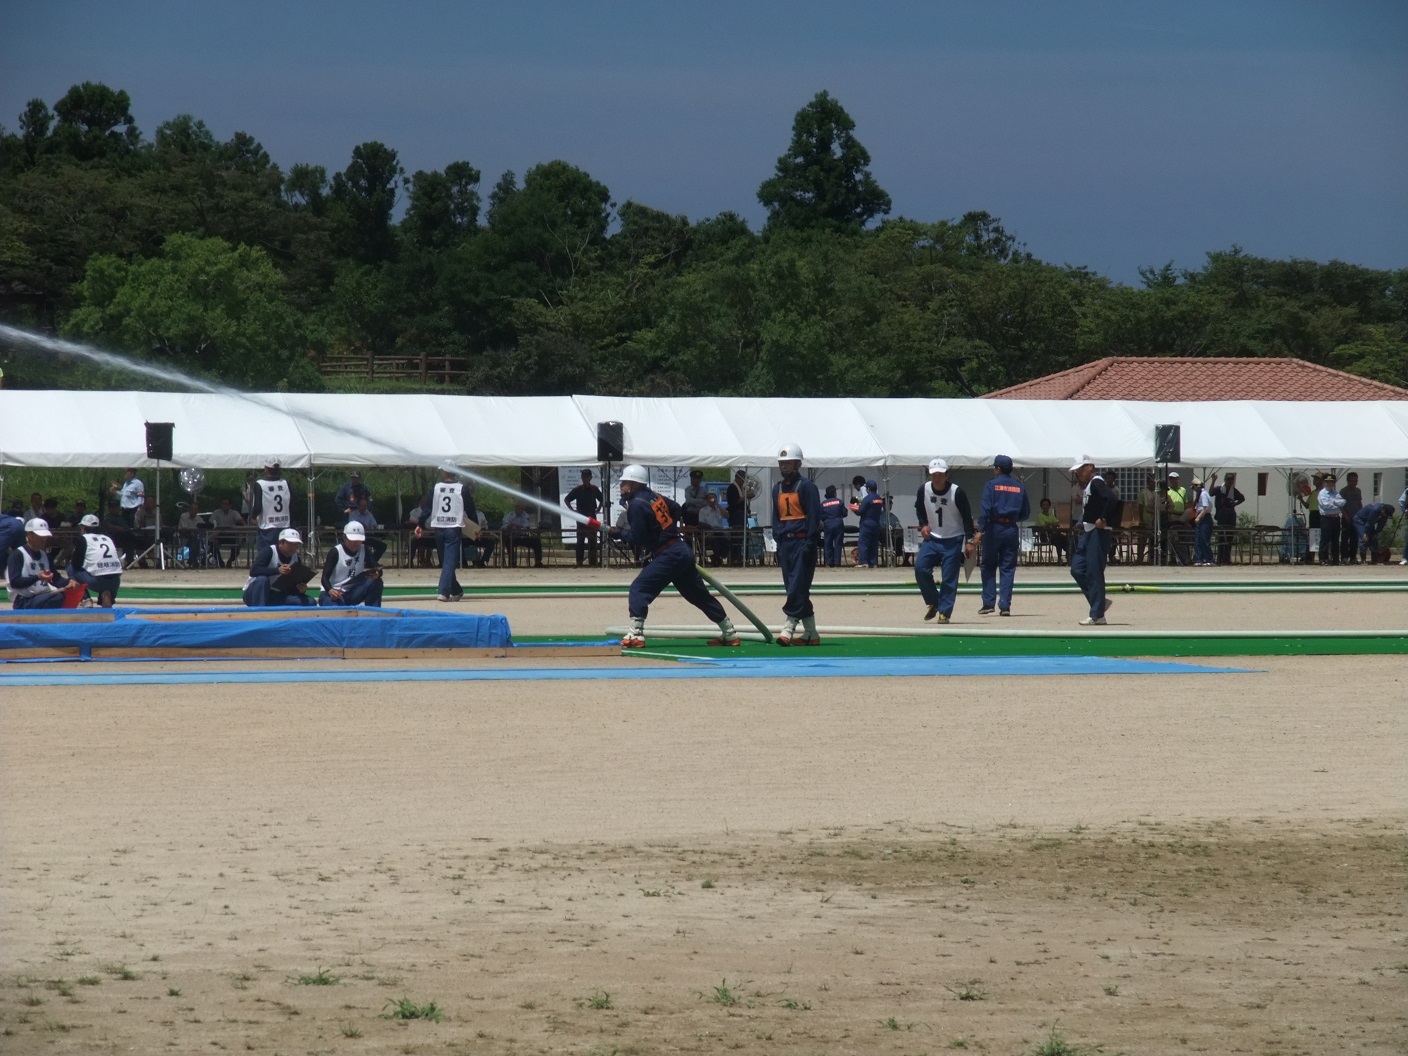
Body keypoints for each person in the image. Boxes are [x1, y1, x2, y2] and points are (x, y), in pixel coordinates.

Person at [615, 463, 739, 649]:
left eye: (624, 482)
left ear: (634, 484)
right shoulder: (653, 496)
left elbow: (637, 538)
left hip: (668, 554)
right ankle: (729, 633)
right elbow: (675, 508)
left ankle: (636, 634)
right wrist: (667, 530)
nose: (621, 486)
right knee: (698, 595)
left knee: (639, 588)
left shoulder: (637, 505)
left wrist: (617, 533)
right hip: (681, 550)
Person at [771, 443, 822, 645]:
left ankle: (788, 628)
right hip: (786, 544)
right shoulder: (777, 489)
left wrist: (810, 542)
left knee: (796, 587)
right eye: (782, 463)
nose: (784, 467)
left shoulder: (807, 487)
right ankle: (811, 633)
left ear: (798, 464)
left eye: (788, 463)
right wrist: (778, 538)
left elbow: (813, 517)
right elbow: (777, 517)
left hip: (802, 542)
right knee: (795, 587)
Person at [913, 458, 974, 623]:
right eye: (933, 475)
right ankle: (934, 601)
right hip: (933, 538)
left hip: (953, 538)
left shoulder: (957, 492)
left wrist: (970, 540)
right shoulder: (923, 489)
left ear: (947, 475)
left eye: (940, 474)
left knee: (949, 577)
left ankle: (944, 612)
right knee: (920, 568)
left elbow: (967, 517)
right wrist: (923, 525)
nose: (937, 478)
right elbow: (919, 508)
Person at [977, 454, 1030, 616]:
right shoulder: (1019, 487)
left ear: (998, 469)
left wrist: (981, 529)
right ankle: (1005, 605)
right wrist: (1013, 518)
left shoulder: (991, 485)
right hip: (1011, 528)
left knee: (988, 565)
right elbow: (1026, 512)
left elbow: (985, 509)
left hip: (994, 527)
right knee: (1008, 567)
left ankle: (988, 603)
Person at [1070, 457, 1117, 626]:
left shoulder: (1097, 482)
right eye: (1077, 470)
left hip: (1098, 533)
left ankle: (1097, 614)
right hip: (1088, 533)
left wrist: (1103, 518)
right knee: (1077, 569)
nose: (1078, 473)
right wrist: (1082, 523)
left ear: (1090, 467)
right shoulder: (1089, 486)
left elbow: (1112, 500)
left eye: (1081, 469)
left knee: (1093, 572)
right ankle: (1099, 602)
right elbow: (1091, 508)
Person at [416, 468, 469, 601]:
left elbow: (428, 508)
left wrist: (420, 524)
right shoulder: (460, 488)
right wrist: (475, 526)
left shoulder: (436, 488)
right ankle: (455, 590)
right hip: (453, 527)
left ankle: (444, 591)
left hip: (439, 527)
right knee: (448, 561)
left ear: (444, 473)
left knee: (446, 561)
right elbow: (470, 508)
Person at [7, 519, 79, 610]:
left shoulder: (45, 555)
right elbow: (15, 582)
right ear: (29, 535)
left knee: (69, 593)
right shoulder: (18, 555)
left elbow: (56, 579)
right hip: (24, 600)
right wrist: (37, 577)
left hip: (41, 596)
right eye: (40, 536)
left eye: (45, 536)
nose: (44, 539)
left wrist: (70, 582)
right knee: (57, 597)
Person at [243, 528, 314, 607]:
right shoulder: (269, 551)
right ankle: (259, 612)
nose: (294, 547)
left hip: (276, 594)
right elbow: (254, 571)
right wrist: (278, 570)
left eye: (296, 544)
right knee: (262, 579)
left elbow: (294, 583)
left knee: (310, 602)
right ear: (281, 542)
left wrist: (301, 589)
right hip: (255, 593)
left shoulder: (296, 559)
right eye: (290, 544)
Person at [318, 522, 384, 607]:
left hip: (352, 593)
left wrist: (378, 574)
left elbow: (377, 568)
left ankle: (373, 613)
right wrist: (330, 590)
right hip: (333, 594)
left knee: (376, 582)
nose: (355, 543)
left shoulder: (364, 550)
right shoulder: (335, 552)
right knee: (335, 610)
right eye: (352, 540)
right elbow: (324, 578)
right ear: (344, 537)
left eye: (358, 541)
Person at [67, 513, 124, 606]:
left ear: (83, 528)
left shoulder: (83, 539)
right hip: (115, 582)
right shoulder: (108, 538)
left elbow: (76, 564)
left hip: (97, 582)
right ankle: (106, 595)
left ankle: (86, 599)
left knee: (70, 568)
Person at [249, 459, 293, 553]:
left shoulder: (260, 484)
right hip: (284, 524)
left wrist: (253, 516)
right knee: (283, 554)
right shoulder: (285, 483)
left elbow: (257, 505)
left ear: (265, 469)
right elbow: (293, 503)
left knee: (266, 554)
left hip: (267, 526)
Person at [564, 469, 604, 567]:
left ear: (590, 478)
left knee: (593, 540)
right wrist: (572, 510)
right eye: (583, 477)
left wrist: (598, 508)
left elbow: (602, 499)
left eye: (586, 477)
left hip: (591, 516)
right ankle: (579, 562)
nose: (584, 479)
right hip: (581, 516)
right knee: (580, 540)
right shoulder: (578, 489)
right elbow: (567, 499)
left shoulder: (594, 489)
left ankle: (593, 562)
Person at [1210, 471, 1245, 565]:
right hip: (1221, 515)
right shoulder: (1219, 489)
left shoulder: (1234, 491)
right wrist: (1213, 481)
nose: (1229, 482)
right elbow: (1211, 493)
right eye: (1228, 480)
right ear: (1225, 480)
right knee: (1221, 537)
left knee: (1229, 538)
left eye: (1231, 480)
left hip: (1230, 515)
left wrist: (1235, 503)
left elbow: (1242, 498)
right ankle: (1220, 558)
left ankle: (1226, 558)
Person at [501, 501, 544, 568]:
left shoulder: (525, 515)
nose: (521, 510)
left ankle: (538, 562)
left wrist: (516, 525)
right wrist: (510, 526)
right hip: (511, 537)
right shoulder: (509, 516)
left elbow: (527, 525)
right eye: (520, 508)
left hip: (522, 537)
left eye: (523, 509)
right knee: (509, 542)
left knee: (536, 541)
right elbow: (504, 526)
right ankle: (512, 562)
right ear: (516, 507)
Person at [854, 479, 884, 568]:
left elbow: (860, 511)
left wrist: (854, 508)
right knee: (873, 543)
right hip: (876, 523)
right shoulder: (879, 499)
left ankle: (863, 562)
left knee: (863, 543)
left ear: (868, 489)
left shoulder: (867, 499)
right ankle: (873, 562)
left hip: (866, 523)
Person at [1316, 473, 1345, 565]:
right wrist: (1336, 504)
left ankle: (1335, 559)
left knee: (1335, 539)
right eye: (1327, 482)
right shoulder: (1322, 493)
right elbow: (1325, 505)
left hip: (1335, 518)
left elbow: (1343, 502)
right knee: (1325, 539)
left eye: (1331, 482)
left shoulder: (1336, 493)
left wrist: (1334, 502)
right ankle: (1323, 559)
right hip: (1326, 518)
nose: (1329, 484)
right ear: (1324, 483)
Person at [209, 497, 246, 568]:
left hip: (231, 536)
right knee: (211, 543)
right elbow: (211, 523)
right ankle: (220, 561)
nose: (224, 506)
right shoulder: (216, 512)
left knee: (238, 542)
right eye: (223, 504)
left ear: (230, 505)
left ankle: (230, 560)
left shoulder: (234, 513)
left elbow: (241, 521)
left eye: (226, 504)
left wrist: (244, 525)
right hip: (219, 536)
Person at [696, 490, 729, 566]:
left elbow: (726, 516)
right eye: (710, 499)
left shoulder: (719, 509)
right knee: (714, 540)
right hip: (709, 532)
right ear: (707, 500)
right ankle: (717, 558)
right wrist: (709, 529)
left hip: (719, 531)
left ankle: (720, 556)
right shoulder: (703, 511)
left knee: (727, 540)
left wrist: (718, 505)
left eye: (714, 498)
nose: (712, 500)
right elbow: (701, 523)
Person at [819, 484, 847, 568]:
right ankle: (836, 563)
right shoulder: (840, 502)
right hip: (838, 523)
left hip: (828, 523)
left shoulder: (823, 504)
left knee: (828, 543)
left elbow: (820, 516)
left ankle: (828, 562)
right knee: (838, 543)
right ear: (834, 493)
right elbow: (844, 513)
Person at [725, 469, 748, 566]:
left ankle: (740, 556)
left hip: (742, 513)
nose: (744, 481)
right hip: (735, 515)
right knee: (735, 536)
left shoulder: (741, 488)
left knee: (742, 537)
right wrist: (745, 496)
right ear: (738, 478)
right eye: (743, 479)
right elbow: (734, 502)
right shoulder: (732, 488)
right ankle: (733, 557)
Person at [1339, 472, 1364, 564]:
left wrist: (1362, 514)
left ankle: (1353, 557)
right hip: (1347, 517)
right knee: (1345, 538)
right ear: (1348, 481)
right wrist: (1345, 515)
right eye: (1352, 481)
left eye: (1355, 481)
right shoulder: (1343, 491)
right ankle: (1344, 557)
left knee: (1354, 538)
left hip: (1356, 518)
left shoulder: (1358, 491)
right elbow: (1340, 506)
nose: (1354, 483)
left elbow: (1359, 503)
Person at [1034, 497, 1067, 564]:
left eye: (1047, 505)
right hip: (1044, 536)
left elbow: (1057, 524)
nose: (1045, 506)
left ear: (1049, 506)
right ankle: (1059, 559)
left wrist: (1049, 523)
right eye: (1044, 505)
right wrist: (1052, 524)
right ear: (1041, 506)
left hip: (1054, 534)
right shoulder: (1040, 516)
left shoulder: (1051, 515)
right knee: (1058, 540)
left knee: (1065, 539)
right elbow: (1044, 526)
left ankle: (1068, 556)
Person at [1190, 477, 1214, 566]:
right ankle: (1198, 559)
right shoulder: (1200, 494)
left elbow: (1206, 508)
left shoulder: (1203, 494)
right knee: (1198, 539)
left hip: (1205, 517)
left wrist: (1198, 517)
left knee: (1204, 539)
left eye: (1193, 488)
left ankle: (1209, 559)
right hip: (1201, 517)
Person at [177, 499, 208, 568]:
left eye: (195, 509)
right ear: (189, 509)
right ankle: (193, 561)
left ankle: (192, 560)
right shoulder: (183, 516)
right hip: (184, 537)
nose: (193, 511)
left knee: (197, 540)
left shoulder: (199, 519)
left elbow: (204, 527)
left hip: (195, 538)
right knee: (194, 540)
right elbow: (184, 529)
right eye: (192, 509)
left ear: (198, 510)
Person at [1137, 474, 1159, 564]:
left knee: (1153, 540)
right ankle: (1139, 558)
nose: (1152, 484)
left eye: (1153, 482)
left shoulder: (1157, 492)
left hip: (1155, 519)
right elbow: (1140, 506)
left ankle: (1152, 559)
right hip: (1145, 519)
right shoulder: (1143, 492)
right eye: (1150, 482)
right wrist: (1141, 519)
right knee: (1142, 539)